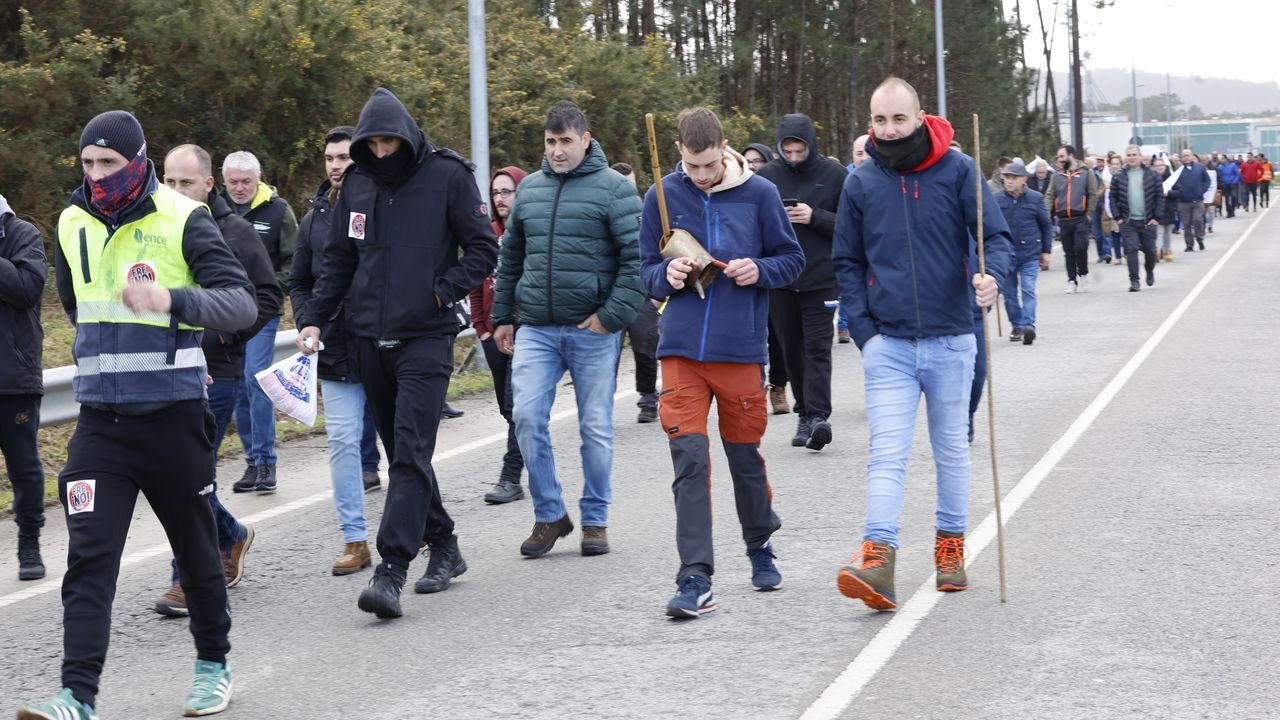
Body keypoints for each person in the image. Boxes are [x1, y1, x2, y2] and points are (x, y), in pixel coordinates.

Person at [18, 110, 256, 719]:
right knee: (89, 560)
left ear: (138, 160)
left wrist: (171, 300)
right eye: (87, 163)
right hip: (101, 425)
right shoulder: (71, 222)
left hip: (173, 419)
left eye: (109, 163)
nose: (97, 175)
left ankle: (214, 666)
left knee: (196, 552)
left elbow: (240, 304)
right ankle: (77, 697)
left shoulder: (184, 217)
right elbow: (78, 307)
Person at [296, 88, 498, 618]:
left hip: (426, 337)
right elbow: (339, 261)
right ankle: (446, 545)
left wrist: (442, 290)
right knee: (404, 455)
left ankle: (391, 568)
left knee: (410, 451)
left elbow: (483, 248)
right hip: (367, 339)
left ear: (406, 138)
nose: (382, 153)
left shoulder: (448, 176)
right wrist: (314, 317)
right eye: (373, 145)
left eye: (390, 143)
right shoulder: (357, 184)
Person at [832, 78, 1012, 612]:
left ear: (919, 116)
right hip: (888, 344)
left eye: (898, 119)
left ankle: (950, 548)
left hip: (953, 338)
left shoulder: (958, 170)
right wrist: (865, 333)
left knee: (951, 450)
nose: (889, 130)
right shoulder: (862, 182)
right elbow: (847, 262)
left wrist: (993, 279)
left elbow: (996, 238)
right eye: (879, 120)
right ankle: (878, 558)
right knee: (886, 453)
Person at [640, 107, 804, 618]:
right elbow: (644, 268)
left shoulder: (761, 193)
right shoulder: (660, 195)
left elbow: (792, 259)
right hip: (681, 351)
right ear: (679, 153)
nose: (702, 176)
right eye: (692, 167)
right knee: (689, 459)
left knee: (743, 458)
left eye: (710, 165)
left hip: (740, 350)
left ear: (724, 149)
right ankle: (695, 577)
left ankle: (760, 543)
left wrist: (760, 269)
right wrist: (664, 277)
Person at [491, 101, 644, 559]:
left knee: (594, 427)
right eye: (550, 142)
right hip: (536, 328)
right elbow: (511, 258)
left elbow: (637, 261)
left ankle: (595, 519)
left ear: (585, 140)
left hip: (593, 331)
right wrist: (503, 316)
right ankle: (550, 515)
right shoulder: (530, 191)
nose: (557, 151)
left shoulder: (615, 190)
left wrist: (610, 316)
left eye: (566, 142)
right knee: (525, 418)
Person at [152, 143, 280, 616]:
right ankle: (231, 534)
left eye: (186, 182)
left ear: (209, 184)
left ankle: (185, 579)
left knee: (188, 476)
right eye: (169, 181)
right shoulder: (155, 230)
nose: (176, 190)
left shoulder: (236, 232)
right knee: (176, 474)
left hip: (217, 372)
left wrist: (226, 336)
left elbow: (268, 296)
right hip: (165, 367)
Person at [289, 126, 384, 574]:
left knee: (403, 444)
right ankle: (355, 540)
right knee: (343, 444)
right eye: (329, 158)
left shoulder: (383, 206)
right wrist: (307, 321)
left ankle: (423, 527)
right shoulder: (313, 221)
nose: (335, 165)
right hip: (335, 351)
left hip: (383, 346)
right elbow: (299, 281)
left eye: (343, 157)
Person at [755, 113, 846, 451]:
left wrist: (814, 216)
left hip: (821, 277)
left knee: (817, 348)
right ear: (780, 147)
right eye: (788, 151)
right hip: (780, 279)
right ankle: (804, 413)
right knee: (790, 348)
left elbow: (852, 224)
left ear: (811, 145)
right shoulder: (766, 177)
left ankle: (819, 416)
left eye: (800, 150)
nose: (794, 157)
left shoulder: (834, 174)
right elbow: (751, 223)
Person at [222, 150, 297, 494]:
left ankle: (267, 461)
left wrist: (267, 289)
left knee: (256, 380)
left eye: (246, 181)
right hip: (226, 310)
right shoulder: (214, 212)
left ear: (259, 178)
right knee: (237, 384)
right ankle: (252, 461)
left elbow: (293, 261)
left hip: (263, 310)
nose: (239, 188)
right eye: (233, 182)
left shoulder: (278, 211)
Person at [469, 163, 529, 504]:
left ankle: (510, 478)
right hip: (493, 335)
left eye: (507, 191)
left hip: (526, 333)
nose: (500, 198)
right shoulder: (487, 234)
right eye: (495, 192)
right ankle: (534, 455)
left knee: (516, 406)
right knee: (509, 412)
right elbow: (477, 281)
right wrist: (481, 329)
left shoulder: (532, 233)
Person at [0, 193, 46, 582]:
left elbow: (28, 289)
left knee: (24, 467)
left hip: (13, 377)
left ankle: (29, 542)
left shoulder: (22, 234)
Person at [610, 161, 661, 424]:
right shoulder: (600, 212)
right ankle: (601, 402)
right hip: (611, 295)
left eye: (629, 185)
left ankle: (649, 397)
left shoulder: (647, 212)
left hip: (643, 294)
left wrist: (657, 295)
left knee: (646, 347)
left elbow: (662, 249)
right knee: (608, 353)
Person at [746, 142, 792, 414]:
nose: (752, 166)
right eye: (747, 161)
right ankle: (754, 388)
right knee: (750, 335)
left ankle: (778, 386)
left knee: (776, 336)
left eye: (758, 161)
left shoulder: (769, 191)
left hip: (771, 273)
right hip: (743, 276)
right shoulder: (735, 192)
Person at [993, 161, 1052, 344]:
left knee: (1028, 289)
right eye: (1006, 177)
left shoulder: (1035, 198)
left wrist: (1046, 251)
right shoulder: (996, 199)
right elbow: (990, 226)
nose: (1009, 181)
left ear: (1024, 179)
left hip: (1030, 252)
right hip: (1005, 255)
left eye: (1014, 177)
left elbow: (1046, 225)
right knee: (1009, 295)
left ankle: (1029, 326)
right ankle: (1017, 325)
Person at [1043, 144, 1098, 294]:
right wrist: (1046, 212)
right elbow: (1049, 195)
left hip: (1080, 217)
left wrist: (1089, 214)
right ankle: (1071, 280)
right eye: (1059, 157)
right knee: (1068, 252)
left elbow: (1093, 194)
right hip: (1063, 219)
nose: (1059, 159)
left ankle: (1083, 274)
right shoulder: (1056, 176)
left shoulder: (1086, 173)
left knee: (1080, 248)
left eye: (1062, 156)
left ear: (1071, 156)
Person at [1110, 145, 1165, 292]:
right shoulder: (1119, 176)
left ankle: (1149, 271)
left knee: (1151, 252)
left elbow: (1160, 197)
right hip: (1128, 221)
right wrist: (1118, 217)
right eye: (1129, 155)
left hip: (1148, 221)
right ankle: (1134, 280)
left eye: (1134, 154)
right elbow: (1112, 198)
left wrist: (1157, 217)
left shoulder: (1152, 174)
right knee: (1131, 249)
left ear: (1140, 156)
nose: (1132, 157)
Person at [836, 133, 871, 344]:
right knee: (848, 285)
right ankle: (843, 325)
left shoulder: (885, 176)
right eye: (859, 153)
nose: (864, 158)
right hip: (849, 242)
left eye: (868, 152)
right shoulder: (845, 178)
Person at [1172, 149, 1210, 252]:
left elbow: (1207, 180)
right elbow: (1174, 183)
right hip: (1183, 202)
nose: (1186, 157)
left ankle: (1200, 239)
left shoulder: (1200, 167)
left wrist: (1202, 190)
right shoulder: (1178, 170)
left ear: (1192, 156)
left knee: (1197, 220)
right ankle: (1189, 245)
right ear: (1181, 158)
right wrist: (1180, 190)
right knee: (1186, 224)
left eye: (1188, 155)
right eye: (1184, 156)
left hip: (1197, 200)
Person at [1153, 155, 1178, 262]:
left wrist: (1167, 193)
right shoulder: (1151, 178)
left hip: (1169, 208)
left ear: (1165, 166)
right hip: (1156, 209)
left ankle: (1167, 251)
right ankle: (1157, 252)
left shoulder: (1171, 177)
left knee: (1167, 233)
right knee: (1159, 232)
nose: (1159, 167)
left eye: (1161, 165)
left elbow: (1179, 192)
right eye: (1157, 165)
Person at [1200, 153, 1218, 234]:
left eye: (1205, 160)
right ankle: (1203, 226)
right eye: (1202, 160)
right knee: (1203, 212)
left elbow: (1217, 179)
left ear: (1207, 160)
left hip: (1211, 192)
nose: (1203, 162)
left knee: (1211, 211)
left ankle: (1210, 226)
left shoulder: (1213, 168)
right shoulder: (1198, 169)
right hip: (1203, 193)